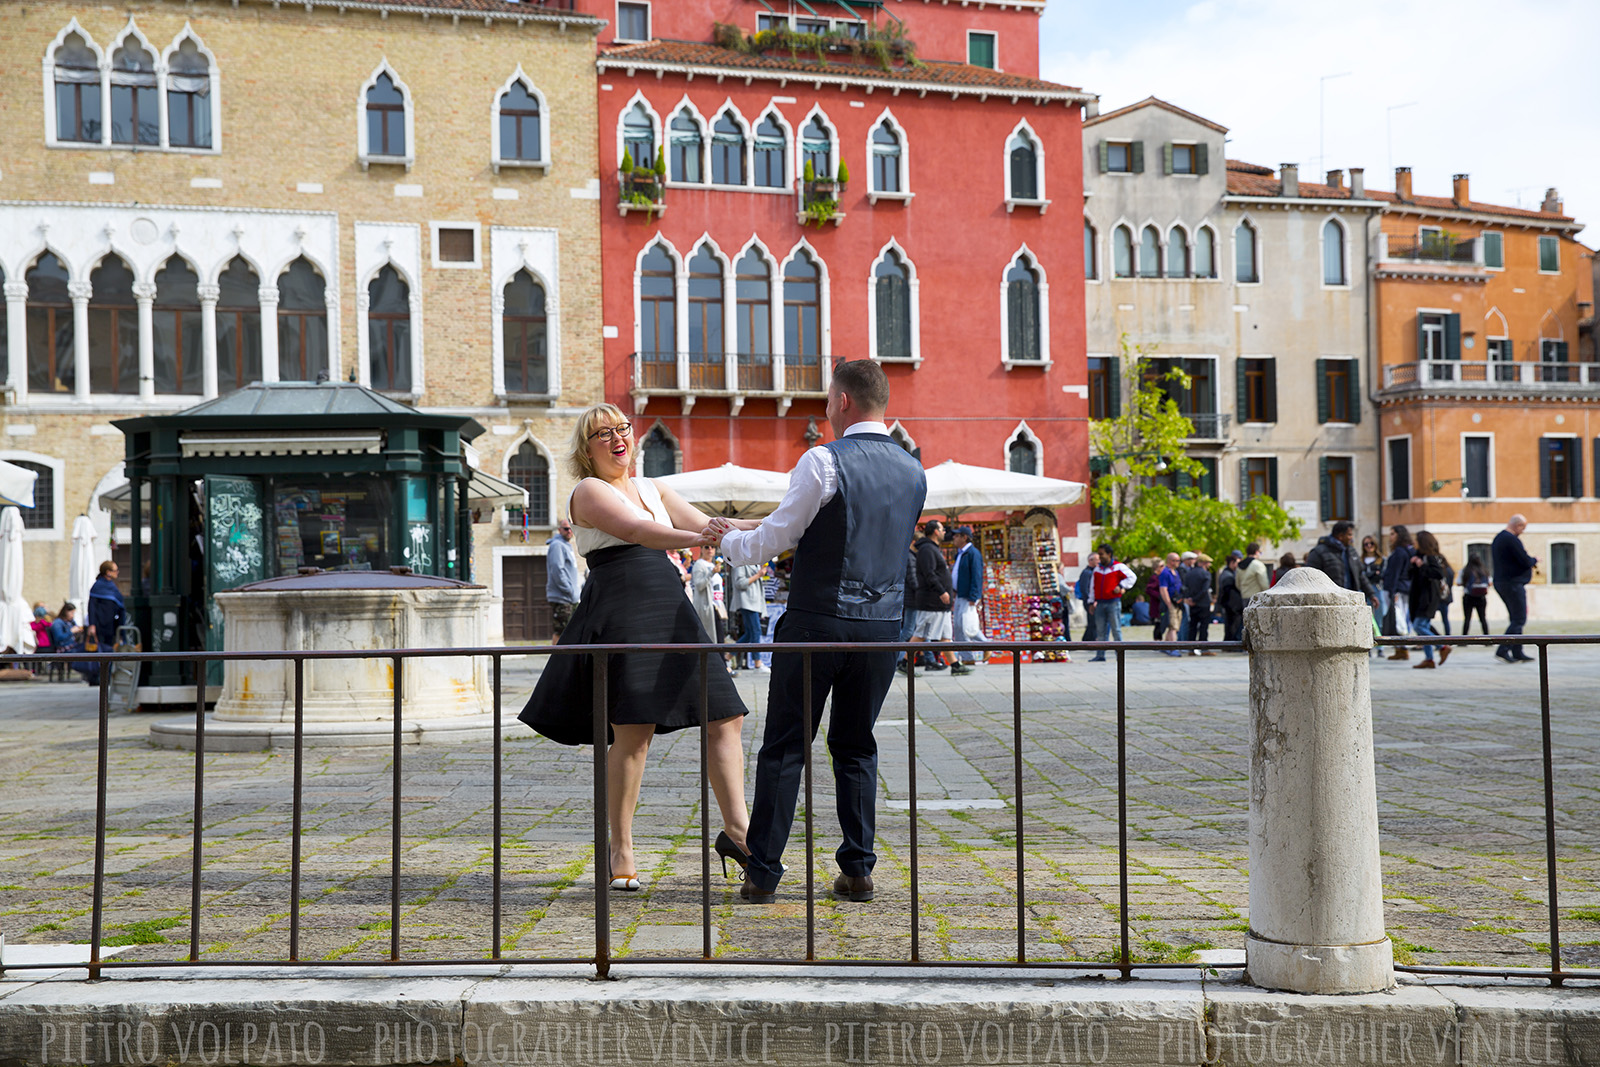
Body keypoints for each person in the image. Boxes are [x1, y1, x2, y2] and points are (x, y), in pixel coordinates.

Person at [708, 359, 927, 905]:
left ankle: (763, 872)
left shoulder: (823, 460)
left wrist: (725, 541)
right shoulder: (914, 471)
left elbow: (777, 538)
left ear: (844, 402)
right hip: (881, 628)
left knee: (786, 745)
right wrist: (750, 527)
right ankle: (857, 870)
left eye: (829, 398)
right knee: (856, 746)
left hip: (816, 622)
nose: (826, 408)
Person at [518, 404, 749, 893]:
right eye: (604, 433)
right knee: (634, 731)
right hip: (621, 601)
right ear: (588, 448)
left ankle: (740, 835)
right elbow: (640, 532)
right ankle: (620, 848)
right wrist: (698, 538)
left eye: (622, 428)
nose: (617, 438)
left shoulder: (653, 486)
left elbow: (711, 523)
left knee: (726, 715)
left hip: (668, 601)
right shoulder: (588, 491)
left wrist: (780, 527)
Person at [911, 520, 964, 674]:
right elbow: (929, 574)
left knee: (946, 635)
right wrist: (941, 591)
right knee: (921, 634)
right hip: (931, 601)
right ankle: (905, 662)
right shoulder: (927, 549)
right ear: (935, 531)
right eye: (942, 529)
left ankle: (955, 665)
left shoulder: (931, 548)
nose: (944, 532)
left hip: (939, 603)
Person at [1492, 514, 1537, 663]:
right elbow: (1524, 560)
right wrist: (1534, 560)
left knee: (1515, 618)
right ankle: (1503, 649)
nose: (1523, 531)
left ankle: (1517, 651)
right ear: (1518, 525)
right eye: (1523, 528)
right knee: (1519, 618)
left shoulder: (1499, 538)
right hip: (1512, 583)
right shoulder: (1511, 540)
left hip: (1503, 582)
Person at [1306, 521, 1378, 606]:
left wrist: (1371, 594)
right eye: (1349, 535)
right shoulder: (1319, 552)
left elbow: (1360, 575)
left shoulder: (1352, 551)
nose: (1351, 538)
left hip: (1351, 600)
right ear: (1340, 536)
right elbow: (1311, 578)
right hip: (1330, 602)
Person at [1407, 531, 1451, 669]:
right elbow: (1411, 575)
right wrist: (1414, 564)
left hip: (1428, 598)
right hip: (1419, 598)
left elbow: (1438, 574)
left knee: (1419, 626)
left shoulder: (1431, 557)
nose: (1414, 543)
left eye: (1416, 540)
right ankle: (1429, 659)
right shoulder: (1420, 556)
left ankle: (1442, 647)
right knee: (1423, 628)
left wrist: (1422, 565)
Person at [950, 525, 990, 668]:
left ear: (964, 537)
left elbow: (977, 576)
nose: (954, 538)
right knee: (960, 626)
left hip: (967, 596)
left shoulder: (973, 553)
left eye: (956, 536)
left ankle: (985, 645)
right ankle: (968, 656)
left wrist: (974, 596)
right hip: (960, 594)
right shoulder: (960, 554)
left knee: (965, 625)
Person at [1088, 545, 1135, 662]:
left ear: (1109, 554)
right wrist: (1090, 601)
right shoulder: (1097, 569)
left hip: (1113, 602)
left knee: (1116, 629)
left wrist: (1121, 586)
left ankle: (1119, 654)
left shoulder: (1118, 567)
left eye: (1101, 554)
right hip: (1100, 603)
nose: (1100, 557)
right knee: (1100, 631)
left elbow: (1132, 577)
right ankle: (1100, 655)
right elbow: (1092, 587)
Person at [1381, 526, 1416, 660]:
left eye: (1392, 534)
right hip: (1403, 588)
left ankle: (1403, 648)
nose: (1390, 537)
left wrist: (1392, 591)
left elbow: (1395, 573)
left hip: (1398, 589)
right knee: (1400, 618)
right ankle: (1400, 648)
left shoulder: (1400, 552)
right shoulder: (1406, 551)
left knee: (1399, 619)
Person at [544, 518, 580, 638]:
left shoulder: (567, 546)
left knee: (569, 633)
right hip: (562, 598)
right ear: (560, 530)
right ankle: (555, 657)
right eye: (566, 528)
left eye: (571, 528)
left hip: (570, 598)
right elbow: (557, 570)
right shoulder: (557, 546)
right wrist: (569, 590)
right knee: (561, 633)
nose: (569, 531)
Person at [731, 557, 766, 671]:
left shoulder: (754, 562)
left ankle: (729, 655)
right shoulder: (740, 563)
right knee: (756, 631)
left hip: (754, 602)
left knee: (750, 634)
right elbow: (739, 583)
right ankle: (757, 663)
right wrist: (758, 575)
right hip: (747, 602)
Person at [1180, 552, 1213, 653]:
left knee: (1192, 626)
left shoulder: (1189, 573)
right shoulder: (1206, 574)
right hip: (1203, 604)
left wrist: (1190, 599)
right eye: (1208, 563)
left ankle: (1191, 649)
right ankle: (1204, 649)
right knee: (1203, 626)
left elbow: (1185, 588)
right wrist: (1195, 599)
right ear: (1203, 563)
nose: (1209, 565)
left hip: (1192, 604)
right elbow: (1204, 590)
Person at [689, 545, 719, 653]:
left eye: (713, 547)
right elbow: (699, 585)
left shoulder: (713, 564)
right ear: (701, 549)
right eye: (707, 547)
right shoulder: (699, 564)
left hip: (716, 606)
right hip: (706, 606)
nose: (710, 549)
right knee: (709, 639)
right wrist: (712, 573)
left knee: (718, 639)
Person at [1156, 553, 1183, 656]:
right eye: (1176, 561)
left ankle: (1165, 645)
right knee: (1173, 626)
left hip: (1177, 602)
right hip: (1170, 602)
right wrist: (1168, 604)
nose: (1178, 563)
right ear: (1170, 561)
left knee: (1175, 625)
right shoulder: (1165, 573)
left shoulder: (1175, 572)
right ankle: (1172, 648)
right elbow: (1163, 589)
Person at [1459, 554, 1491, 636]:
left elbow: (1459, 582)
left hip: (1468, 597)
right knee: (1483, 618)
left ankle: (1464, 640)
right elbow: (1490, 583)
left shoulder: (1465, 570)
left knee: (1467, 619)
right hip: (1481, 597)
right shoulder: (1484, 570)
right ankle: (1487, 638)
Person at [1217, 551, 1245, 643]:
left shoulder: (1226, 574)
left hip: (1228, 604)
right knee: (1232, 625)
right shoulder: (1228, 576)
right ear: (1232, 563)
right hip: (1231, 605)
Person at [1074, 551, 1099, 645]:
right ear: (1090, 560)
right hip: (1089, 601)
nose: (1098, 561)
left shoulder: (1093, 571)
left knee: (1093, 622)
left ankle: (1088, 640)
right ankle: (1089, 641)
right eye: (1097, 559)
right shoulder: (1087, 572)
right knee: (1092, 621)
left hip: (1092, 600)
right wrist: (1091, 601)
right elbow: (1085, 589)